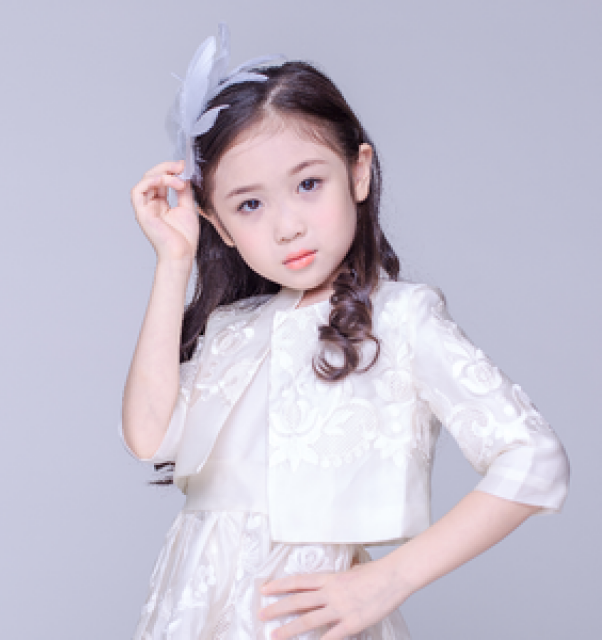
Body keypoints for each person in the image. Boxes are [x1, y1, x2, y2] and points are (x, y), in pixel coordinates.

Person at [120, 24, 569, 640]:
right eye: (250, 204)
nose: (287, 226)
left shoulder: (401, 318)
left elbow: (536, 460)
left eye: (308, 184)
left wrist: (388, 580)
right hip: (194, 612)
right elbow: (147, 439)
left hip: (303, 617)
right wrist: (173, 262)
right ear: (218, 224)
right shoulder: (231, 329)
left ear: (358, 172)